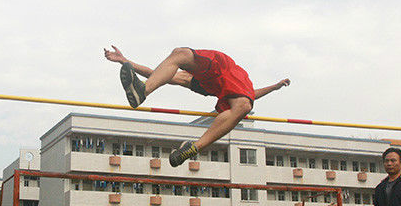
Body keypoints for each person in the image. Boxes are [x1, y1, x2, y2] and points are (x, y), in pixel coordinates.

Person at [104, 46, 290, 167]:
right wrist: (125, 62)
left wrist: (274, 87)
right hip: (222, 73)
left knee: (181, 56)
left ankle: (191, 147)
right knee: (180, 56)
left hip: (217, 84)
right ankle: (143, 92)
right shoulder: (234, 86)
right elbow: (159, 74)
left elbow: (249, 94)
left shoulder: (230, 90)